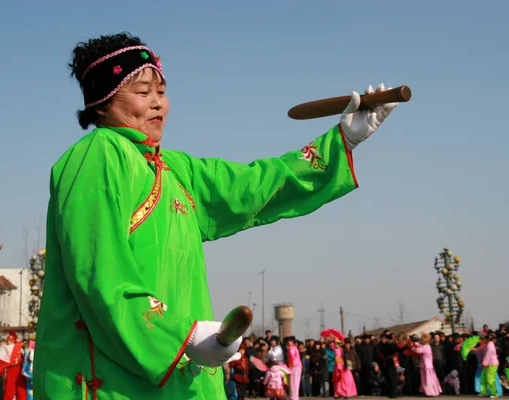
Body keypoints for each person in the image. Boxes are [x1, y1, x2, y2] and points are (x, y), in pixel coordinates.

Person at [33, 32, 398, 400]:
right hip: (114, 382)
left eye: (161, 92)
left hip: (181, 374)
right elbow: (100, 274)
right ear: (101, 103)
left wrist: (340, 142)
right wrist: (182, 335)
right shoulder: (98, 155)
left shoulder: (177, 170)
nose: (158, 104)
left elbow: (255, 185)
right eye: (143, 93)